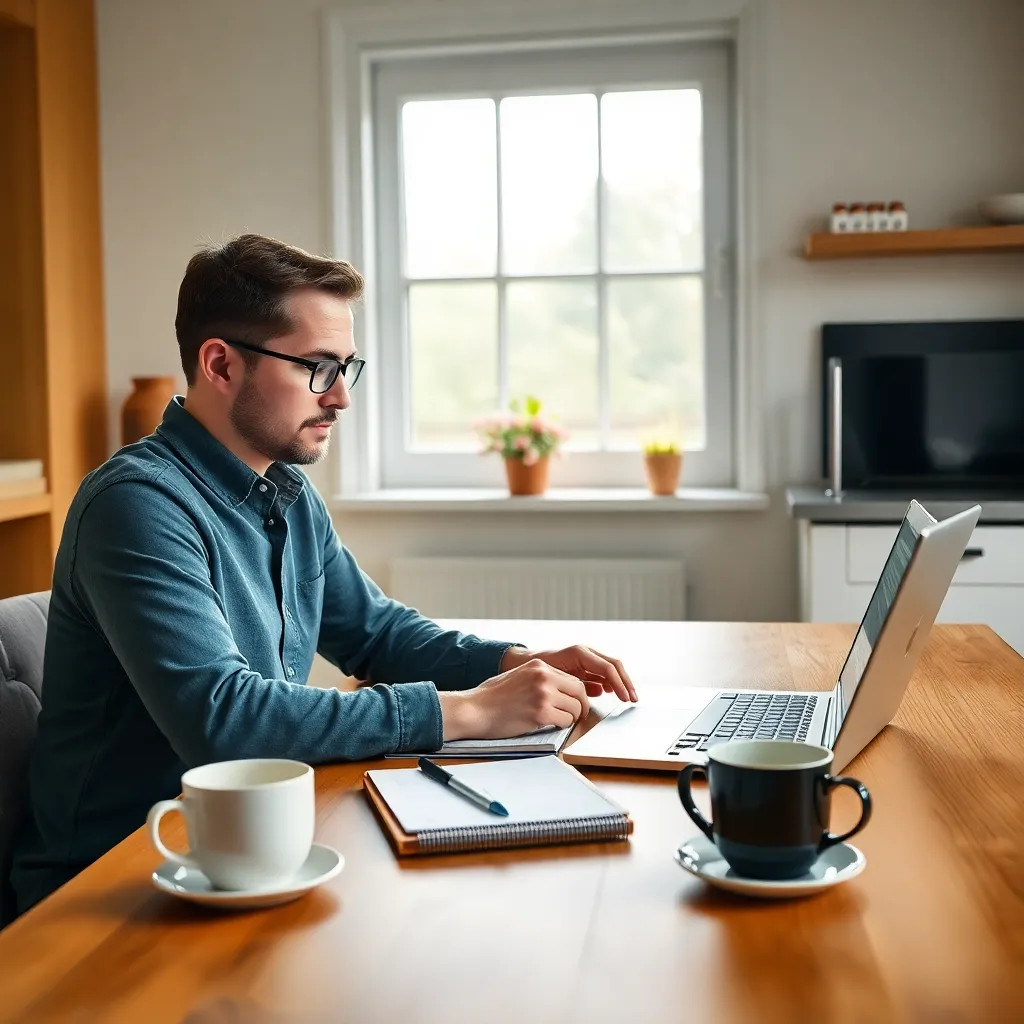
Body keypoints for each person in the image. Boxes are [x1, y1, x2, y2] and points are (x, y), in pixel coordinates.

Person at [10, 234, 636, 915]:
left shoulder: (285, 493)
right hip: (110, 893)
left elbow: (375, 634)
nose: (340, 397)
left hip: (251, 855)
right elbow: (224, 722)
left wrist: (515, 662)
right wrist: (472, 710)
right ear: (220, 364)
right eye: (316, 367)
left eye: (346, 368)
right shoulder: (134, 505)